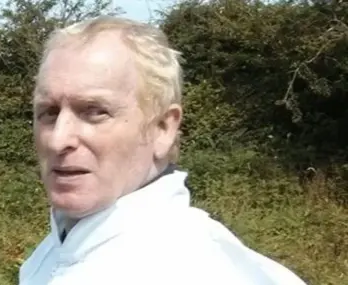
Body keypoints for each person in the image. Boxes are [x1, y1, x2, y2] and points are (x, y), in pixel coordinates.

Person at [19, 15, 307, 285]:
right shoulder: (51, 254)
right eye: (49, 112)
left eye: (94, 112)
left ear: (163, 129)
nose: (58, 140)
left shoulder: (198, 270)